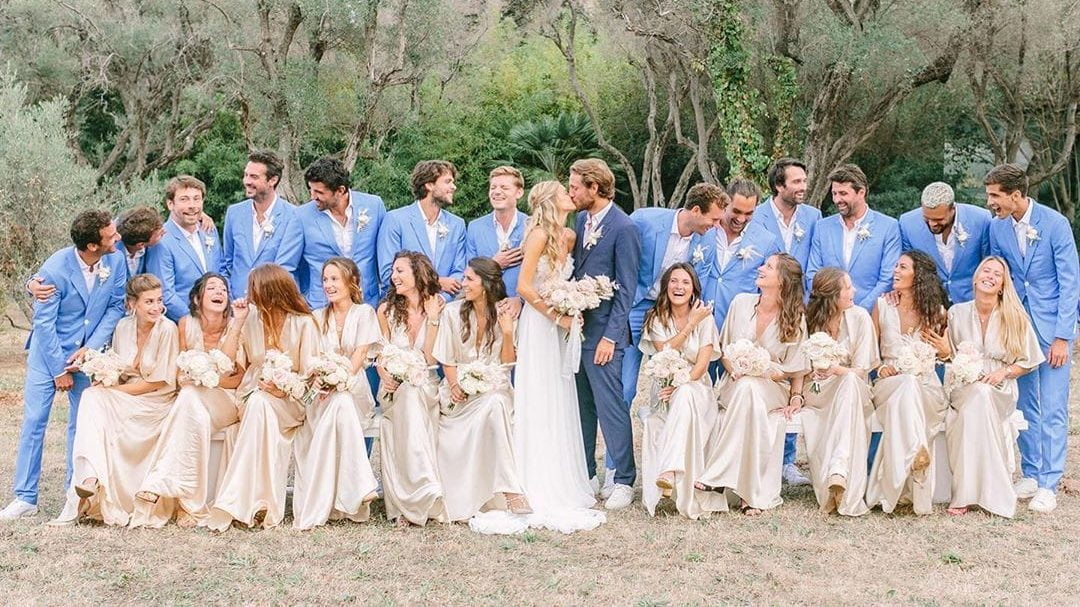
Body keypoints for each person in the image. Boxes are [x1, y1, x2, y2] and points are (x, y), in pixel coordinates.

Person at [1, 211, 127, 521]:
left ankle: (75, 492)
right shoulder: (55, 269)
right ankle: (25, 497)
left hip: (88, 357)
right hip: (48, 355)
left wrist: (90, 349)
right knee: (34, 422)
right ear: (92, 245)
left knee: (81, 424)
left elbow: (115, 306)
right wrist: (59, 369)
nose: (118, 238)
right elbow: (44, 323)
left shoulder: (116, 260)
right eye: (111, 235)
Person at [510, 180, 605, 533]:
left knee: (561, 395)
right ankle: (533, 479)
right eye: (564, 192)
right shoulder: (537, 235)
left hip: (563, 323)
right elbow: (523, 286)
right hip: (540, 325)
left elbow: (569, 279)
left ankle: (563, 476)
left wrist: (576, 300)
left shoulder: (570, 236)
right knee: (540, 394)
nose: (571, 194)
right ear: (551, 201)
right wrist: (556, 315)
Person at [985, 163, 1078, 513]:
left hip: (1051, 328)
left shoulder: (1055, 224)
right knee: (1024, 404)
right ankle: (1032, 473)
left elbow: (1070, 282)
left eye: (995, 195)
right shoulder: (997, 227)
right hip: (1017, 329)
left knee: (1053, 406)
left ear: (1015, 194)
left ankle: (1050, 483)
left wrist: (1062, 336)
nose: (990, 202)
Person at [207, 264, 319, 531]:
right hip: (251, 397)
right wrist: (237, 321)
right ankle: (258, 503)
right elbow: (226, 363)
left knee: (261, 404)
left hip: (291, 400)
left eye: (254, 289)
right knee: (258, 404)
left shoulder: (304, 323)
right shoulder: (250, 320)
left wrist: (282, 389)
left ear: (271, 291)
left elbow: (311, 376)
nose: (250, 295)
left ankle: (237, 501)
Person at [131, 273, 246, 528]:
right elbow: (180, 372)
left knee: (191, 397)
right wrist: (190, 379)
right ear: (197, 298)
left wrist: (209, 380)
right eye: (212, 288)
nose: (219, 292)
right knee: (191, 401)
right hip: (193, 400)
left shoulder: (236, 325)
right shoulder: (185, 324)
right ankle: (187, 505)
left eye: (223, 289)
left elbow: (238, 378)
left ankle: (161, 484)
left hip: (226, 401)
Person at [696, 254, 808, 515]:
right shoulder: (741, 303)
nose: (760, 268)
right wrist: (735, 370)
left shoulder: (796, 317)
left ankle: (718, 475)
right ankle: (750, 495)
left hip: (773, 387)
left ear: (782, 280)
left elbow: (797, 367)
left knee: (751, 389)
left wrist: (794, 395)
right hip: (736, 383)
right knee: (747, 389)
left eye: (768, 267)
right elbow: (724, 350)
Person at [66, 274, 179, 526]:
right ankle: (91, 478)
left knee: (95, 399)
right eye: (149, 301)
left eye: (159, 300)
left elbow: (158, 382)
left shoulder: (168, 329)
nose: (156, 307)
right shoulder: (123, 327)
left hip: (156, 400)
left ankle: (91, 478)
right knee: (92, 395)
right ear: (132, 304)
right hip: (126, 395)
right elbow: (118, 369)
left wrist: (114, 391)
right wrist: (105, 379)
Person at [945, 257, 1044, 518]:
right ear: (975, 278)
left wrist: (1004, 371)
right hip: (963, 385)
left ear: (1002, 285)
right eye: (986, 271)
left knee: (983, 394)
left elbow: (1028, 361)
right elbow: (949, 355)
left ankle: (969, 494)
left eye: (997, 274)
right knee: (977, 395)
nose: (990, 276)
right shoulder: (956, 312)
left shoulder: (1015, 316)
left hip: (1000, 389)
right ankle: (985, 492)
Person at [434, 257, 530, 525]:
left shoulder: (504, 312)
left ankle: (510, 489)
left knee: (496, 402)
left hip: (494, 388)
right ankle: (511, 490)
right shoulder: (452, 312)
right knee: (494, 405)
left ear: (486, 284)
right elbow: (447, 358)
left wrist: (507, 333)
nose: (463, 284)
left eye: (469, 279)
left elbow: (508, 363)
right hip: (459, 393)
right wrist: (455, 385)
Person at [569, 158, 641, 510]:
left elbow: (627, 288)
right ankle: (586, 475)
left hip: (604, 336)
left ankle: (624, 479)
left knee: (611, 406)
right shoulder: (580, 220)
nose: (571, 193)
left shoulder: (623, 227)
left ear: (594, 187)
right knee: (581, 406)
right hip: (577, 331)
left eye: (575, 187)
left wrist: (610, 338)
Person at [623, 182, 722, 433]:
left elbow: (699, 281)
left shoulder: (708, 239)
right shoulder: (644, 220)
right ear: (696, 210)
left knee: (670, 378)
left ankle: (668, 438)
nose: (716, 225)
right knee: (625, 386)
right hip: (636, 306)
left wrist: (693, 317)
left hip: (674, 312)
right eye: (713, 219)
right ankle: (616, 457)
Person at [292, 258, 380, 530]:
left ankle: (346, 492)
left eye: (334, 279)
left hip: (354, 387)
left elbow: (360, 355)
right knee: (338, 403)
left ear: (351, 282)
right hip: (321, 391)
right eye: (325, 279)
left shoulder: (364, 313)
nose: (328, 285)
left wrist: (340, 380)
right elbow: (312, 357)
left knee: (342, 400)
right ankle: (362, 485)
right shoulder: (317, 317)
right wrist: (324, 380)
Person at [752, 157, 820, 487]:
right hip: (765, 304)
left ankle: (788, 461)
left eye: (804, 181)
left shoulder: (813, 216)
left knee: (793, 375)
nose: (803, 187)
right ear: (779, 186)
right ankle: (758, 458)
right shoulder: (757, 216)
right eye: (796, 182)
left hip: (798, 309)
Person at [867, 251, 950, 515]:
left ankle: (901, 471)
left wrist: (945, 351)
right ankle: (916, 452)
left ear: (919, 275)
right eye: (896, 266)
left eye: (903, 267)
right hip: (889, 384)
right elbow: (870, 352)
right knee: (906, 384)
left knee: (912, 385)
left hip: (926, 387)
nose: (896, 271)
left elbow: (946, 355)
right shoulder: (883, 305)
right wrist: (880, 368)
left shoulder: (937, 313)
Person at [637, 263, 720, 519]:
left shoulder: (706, 318)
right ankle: (670, 471)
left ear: (693, 288)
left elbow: (702, 366)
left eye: (685, 282)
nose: (678, 287)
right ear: (666, 286)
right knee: (679, 395)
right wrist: (689, 325)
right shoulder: (656, 317)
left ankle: (670, 470)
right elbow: (665, 352)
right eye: (673, 281)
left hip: (697, 389)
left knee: (684, 393)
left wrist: (680, 384)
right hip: (664, 391)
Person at [796, 268, 877, 516]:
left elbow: (861, 370)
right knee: (846, 384)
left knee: (850, 382)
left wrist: (836, 370)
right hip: (818, 390)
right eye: (848, 288)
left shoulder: (860, 317)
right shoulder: (808, 319)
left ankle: (838, 470)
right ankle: (837, 471)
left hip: (852, 390)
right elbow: (799, 366)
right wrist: (811, 376)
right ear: (832, 295)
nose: (854, 291)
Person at [375, 251, 448, 527]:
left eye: (400, 271)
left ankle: (418, 494)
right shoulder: (385, 311)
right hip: (393, 387)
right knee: (406, 395)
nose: (394, 276)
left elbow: (429, 359)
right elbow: (380, 355)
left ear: (418, 274)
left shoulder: (437, 308)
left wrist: (433, 319)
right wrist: (385, 375)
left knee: (414, 394)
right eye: (393, 271)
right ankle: (422, 489)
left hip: (426, 385)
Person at [290, 156, 387, 308]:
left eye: (319, 192)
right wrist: (298, 302)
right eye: (311, 190)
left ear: (340, 190)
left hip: (368, 303)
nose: (313, 197)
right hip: (321, 306)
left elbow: (384, 257)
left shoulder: (375, 206)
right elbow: (288, 265)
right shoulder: (301, 216)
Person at [807, 163, 900, 311]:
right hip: (829, 312)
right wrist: (832, 308)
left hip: (871, 314)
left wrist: (859, 312)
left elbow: (887, 279)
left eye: (843, 193)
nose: (837, 200)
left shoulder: (888, 227)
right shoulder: (822, 227)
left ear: (861, 192)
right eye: (834, 194)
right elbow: (813, 274)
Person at [377, 160, 466, 301]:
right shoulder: (395, 220)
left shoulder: (457, 224)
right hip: (403, 305)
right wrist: (436, 282)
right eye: (447, 181)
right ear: (429, 185)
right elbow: (387, 273)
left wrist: (440, 300)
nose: (453, 187)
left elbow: (459, 271)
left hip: (444, 305)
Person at [222, 151, 301, 298]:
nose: (247, 181)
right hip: (238, 302)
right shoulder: (234, 213)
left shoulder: (293, 216)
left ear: (272, 180)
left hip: (274, 300)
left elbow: (288, 266)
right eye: (246, 175)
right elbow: (227, 263)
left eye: (254, 177)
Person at [147, 175, 225, 321]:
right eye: (184, 199)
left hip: (217, 320)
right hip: (182, 323)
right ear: (170, 204)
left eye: (197, 199)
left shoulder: (209, 230)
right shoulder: (161, 240)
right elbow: (165, 293)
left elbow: (221, 271)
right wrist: (194, 321)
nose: (192, 205)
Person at [898, 182, 991, 304]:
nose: (932, 224)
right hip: (929, 304)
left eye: (939, 219)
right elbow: (907, 268)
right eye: (927, 218)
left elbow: (989, 262)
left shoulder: (981, 219)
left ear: (953, 209)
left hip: (972, 302)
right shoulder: (907, 223)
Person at [709, 179, 784, 331]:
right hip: (699, 322)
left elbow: (769, 289)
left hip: (739, 324)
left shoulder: (767, 241)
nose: (741, 219)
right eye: (736, 211)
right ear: (725, 203)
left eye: (749, 213)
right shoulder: (707, 228)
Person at [465, 166, 530, 297]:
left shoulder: (531, 226)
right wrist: (494, 264)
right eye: (493, 187)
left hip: (521, 305)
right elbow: (469, 273)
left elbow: (539, 274)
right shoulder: (475, 227)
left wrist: (520, 300)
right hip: (485, 302)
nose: (497, 192)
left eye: (504, 188)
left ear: (519, 192)